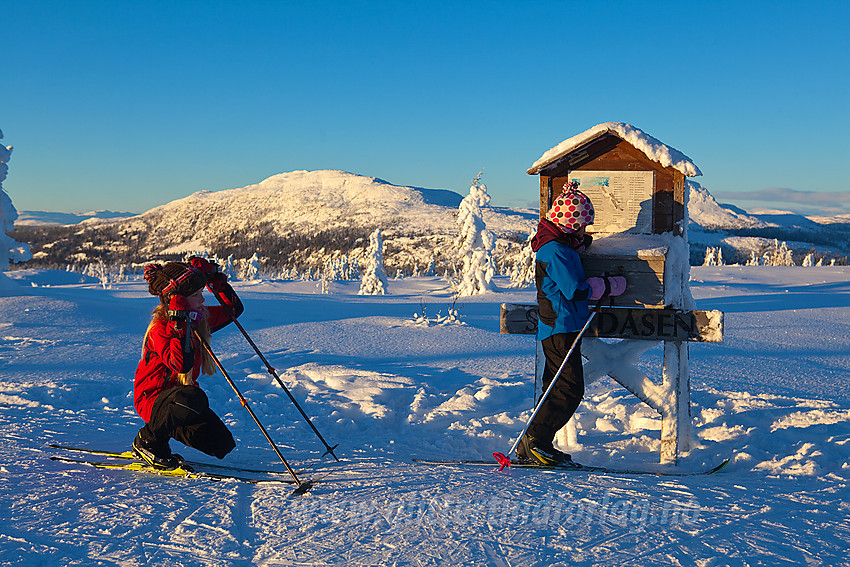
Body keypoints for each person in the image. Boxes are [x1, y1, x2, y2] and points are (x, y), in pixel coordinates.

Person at [518, 181, 625, 466]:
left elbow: (568, 261)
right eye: (582, 225)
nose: (585, 231)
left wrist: (577, 245)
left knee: (555, 387)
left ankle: (533, 443)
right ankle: (537, 441)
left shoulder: (557, 245)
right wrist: (607, 286)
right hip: (561, 327)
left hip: (559, 326)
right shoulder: (555, 251)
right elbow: (574, 289)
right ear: (569, 223)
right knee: (569, 388)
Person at [132, 257, 244, 469]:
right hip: (153, 400)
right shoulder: (162, 329)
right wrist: (178, 321)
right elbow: (180, 364)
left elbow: (233, 311)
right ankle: (148, 441)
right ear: (177, 300)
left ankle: (167, 426)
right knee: (194, 396)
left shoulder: (197, 319)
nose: (202, 300)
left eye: (201, 293)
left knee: (221, 444)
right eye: (195, 295)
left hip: (180, 404)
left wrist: (215, 281)